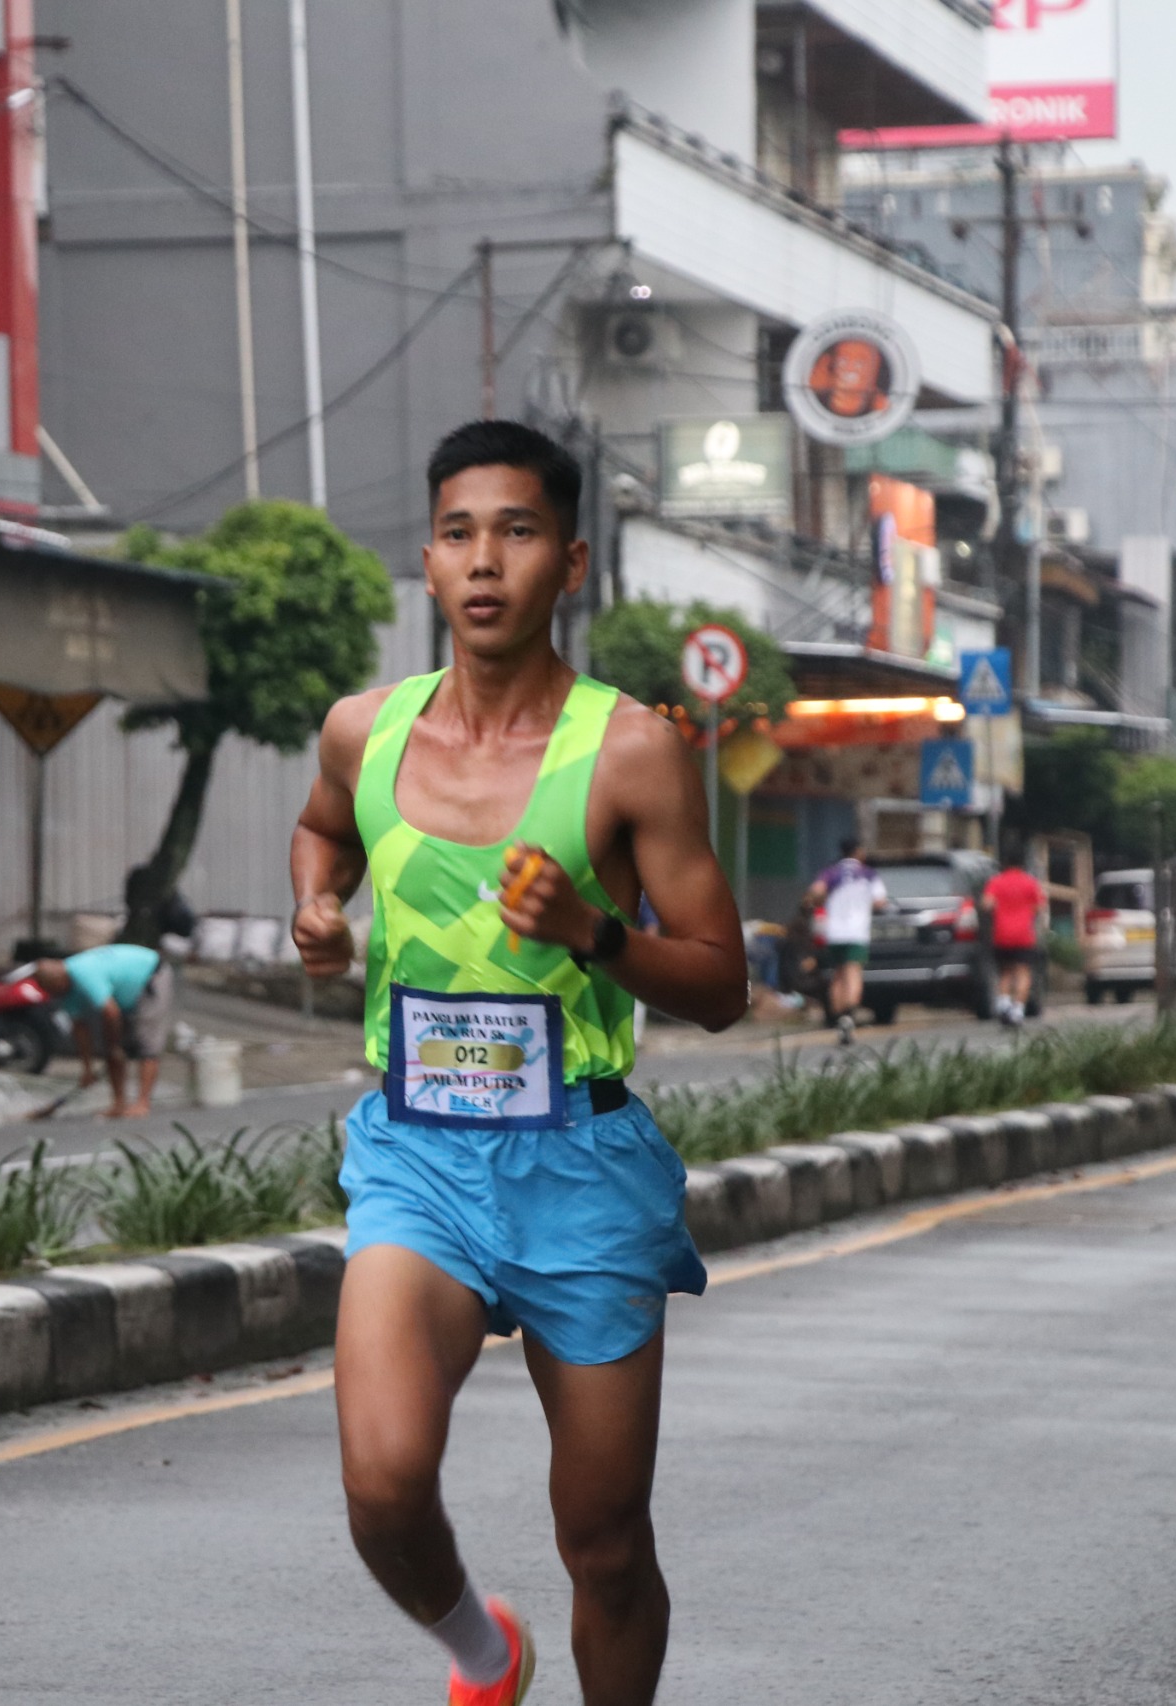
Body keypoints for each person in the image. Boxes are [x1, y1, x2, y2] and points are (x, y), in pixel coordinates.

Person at [291, 419, 747, 1706]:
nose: (484, 560)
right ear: (429, 560)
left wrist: (594, 932)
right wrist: (315, 905)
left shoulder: (632, 750)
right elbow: (323, 829)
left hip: (581, 1168)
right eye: (458, 533)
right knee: (383, 1483)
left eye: (518, 531)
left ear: (572, 562)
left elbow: (722, 981)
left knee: (603, 1541)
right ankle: (486, 1658)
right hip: (418, 1157)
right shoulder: (363, 731)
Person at [31, 942, 172, 1117]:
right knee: (111, 1048)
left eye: (54, 989)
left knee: (147, 1042)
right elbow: (80, 1029)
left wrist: (114, 1045)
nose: (55, 995)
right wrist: (87, 1069)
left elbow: (111, 1012)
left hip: (150, 974)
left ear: (59, 980)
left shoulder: (84, 974)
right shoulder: (67, 991)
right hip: (123, 994)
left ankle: (143, 1103)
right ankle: (119, 1103)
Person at [807, 838, 886, 1046]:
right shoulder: (868, 874)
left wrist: (823, 901)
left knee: (838, 975)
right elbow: (880, 901)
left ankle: (839, 1017)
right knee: (853, 973)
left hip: (834, 932)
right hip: (856, 932)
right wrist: (864, 905)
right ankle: (849, 1017)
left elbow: (816, 891)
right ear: (858, 851)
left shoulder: (831, 872)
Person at [983, 845, 1047, 1028]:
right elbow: (1040, 907)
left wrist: (1001, 910)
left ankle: (1003, 1004)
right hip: (1024, 935)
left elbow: (987, 904)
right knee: (1023, 972)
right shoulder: (1030, 882)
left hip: (1001, 934)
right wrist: (1026, 912)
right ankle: (1017, 1011)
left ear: (1005, 862)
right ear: (1022, 863)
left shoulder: (996, 882)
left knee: (1005, 971)